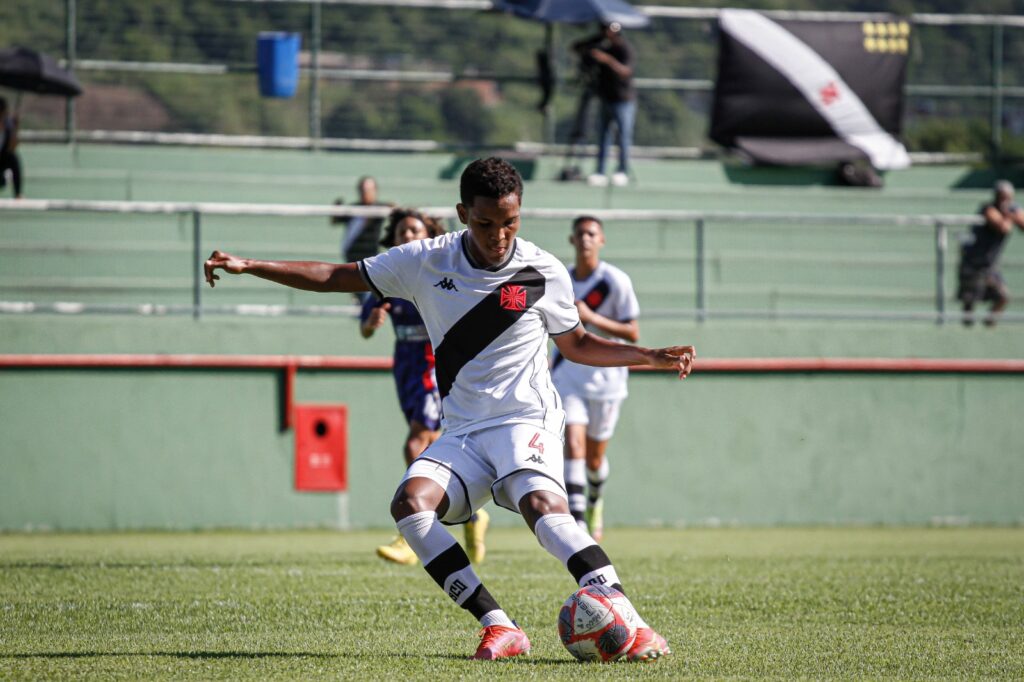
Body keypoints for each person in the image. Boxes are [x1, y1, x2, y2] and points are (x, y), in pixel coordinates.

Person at [205, 157, 694, 662]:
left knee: (543, 509)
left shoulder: (541, 270)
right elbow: (335, 275)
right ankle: (499, 625)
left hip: (526, 419)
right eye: (485, 223)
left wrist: (648, 355)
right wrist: (251, 265)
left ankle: (633, 623)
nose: (499, 235)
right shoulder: (425, 260)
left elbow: (577, 345)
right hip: (463, 431)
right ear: (463, 213)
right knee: (410, 505)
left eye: (510, 222)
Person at [362, 208, 490, 566]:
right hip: (405, 366)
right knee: (432, 445)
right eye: (401, 231)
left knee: (417, 441)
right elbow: (366, 330)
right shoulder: (386, 277)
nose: (406, 237)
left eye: (414, 231)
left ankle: (412, 530)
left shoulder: (437, 274)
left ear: (428, 235)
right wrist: (372, 322)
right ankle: (473, 515)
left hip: (434, 368)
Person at [551, 216, 639, 541]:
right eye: (580, 234)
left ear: (601, 240)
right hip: (568, 375)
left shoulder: (615, 281)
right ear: (571, 240)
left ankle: (594, 500)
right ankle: (577, 524)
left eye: (592, 234)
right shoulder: (561, 280)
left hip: (608, 381)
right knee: (571, 444)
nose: (586, 239)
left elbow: (632, 331)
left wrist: (591, 318)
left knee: (594, 457)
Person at [573, 23, 636, 188]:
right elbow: (576, 48)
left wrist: (606, 60)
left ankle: (622, 171)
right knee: (603, 137)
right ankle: (600, 171)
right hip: (606, 98)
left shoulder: (624, 48)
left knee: (623, 137)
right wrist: (596, 40)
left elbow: (626, 71)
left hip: (623, 100)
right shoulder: (602, 45)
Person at [958, 180, 1024, 327]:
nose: (1005, 200)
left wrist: (1013, 213)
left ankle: (989, 324)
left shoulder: (1010, 209)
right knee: (969, 302)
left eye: (1008, 197)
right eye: (1002, 196)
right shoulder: (988, 209)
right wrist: (1009, 215)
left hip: (989, 266)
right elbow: (1003, 227)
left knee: (1002, 297)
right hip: (973, 263)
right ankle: (966, 331)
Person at [332, 176, 387, 263]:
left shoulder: (380, 208)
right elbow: (335, 221)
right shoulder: (353, 209)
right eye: (362, 190)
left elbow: (395, 211)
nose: (365, 193)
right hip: (352, 256)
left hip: (371, 257)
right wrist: (337, 209)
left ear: (375, 190)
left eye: (368, 190)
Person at [0, 97, 23, 199]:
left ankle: (17, 194)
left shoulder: (9, 124)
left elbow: (12, 147)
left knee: (14, 159)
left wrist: (15, 130)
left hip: (2, 157)